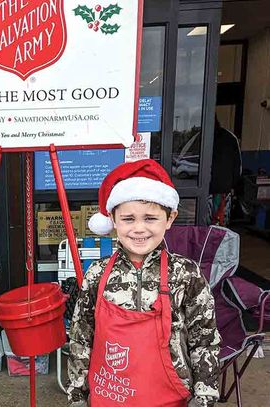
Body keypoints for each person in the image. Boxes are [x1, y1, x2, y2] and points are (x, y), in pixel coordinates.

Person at [68, 159, 220, 407]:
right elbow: (81, 337)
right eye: (128, 219)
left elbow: (204, 340)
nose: (139, 229)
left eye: (150, 218)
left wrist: (204, 397)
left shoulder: (186, 274)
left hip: (171, 399)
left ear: (169, 219)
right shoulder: (97, 274)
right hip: (109, 396)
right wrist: (77, 394)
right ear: (113, 220)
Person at [207, 118, 242, 226]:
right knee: (221, 224)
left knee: (204, 224)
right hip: (224, 189)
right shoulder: (231, 137)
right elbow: (238, 166)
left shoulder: (202, 135)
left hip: (206, 189)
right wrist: (233, 185)